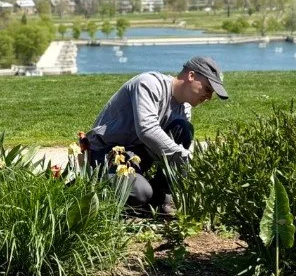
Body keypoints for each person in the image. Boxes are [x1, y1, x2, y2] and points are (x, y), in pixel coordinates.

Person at [83, 55, 228, 215]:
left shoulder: (184, 107)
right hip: (105, 153)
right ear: (191, 76)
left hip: (135, 155)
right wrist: (188, 159)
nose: (208, 97)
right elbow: (147, 130)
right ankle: (91, 183)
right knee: (141, 193)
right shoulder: (149, 84)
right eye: (207, 89)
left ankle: (160, 195)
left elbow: (168, 147)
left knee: (183, 128)